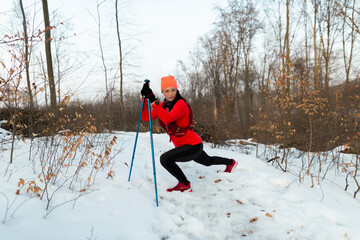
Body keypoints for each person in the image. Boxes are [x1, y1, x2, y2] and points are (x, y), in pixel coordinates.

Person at [140, 75, 238, 192]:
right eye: (167, 91)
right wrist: (145, 99)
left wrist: (153, 100)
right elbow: (145, 117)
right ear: (163, 92)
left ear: (177, 90)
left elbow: (167, 118)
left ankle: (184, 184)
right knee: (208, 161)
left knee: (165, 159)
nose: (170, 93)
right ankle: (231, 162)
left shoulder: (181, 104)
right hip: (185, 146)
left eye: (173, 90)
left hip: (192, 145)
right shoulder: (163, 106)